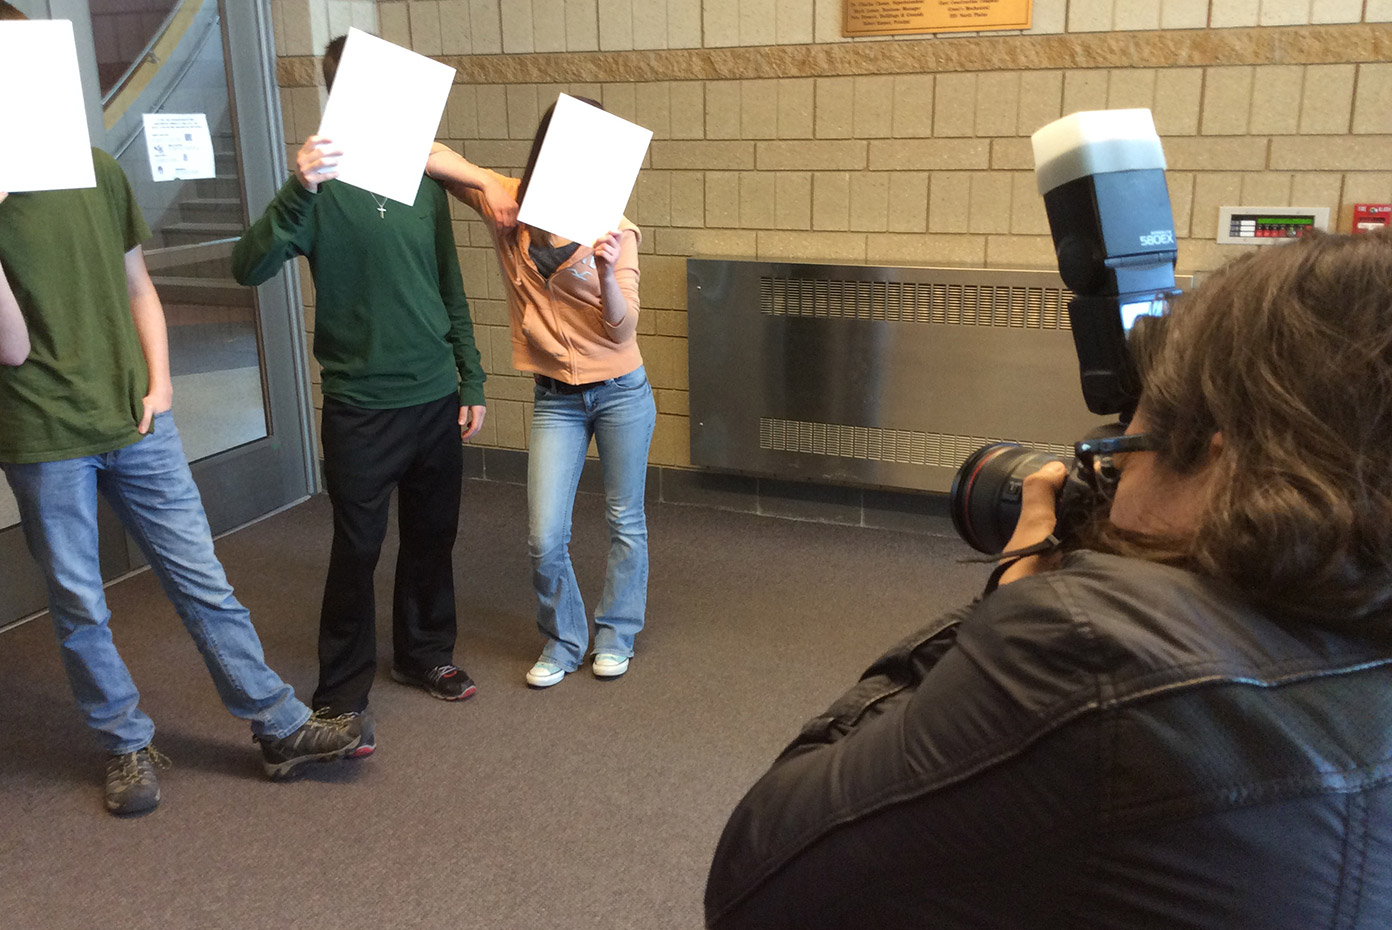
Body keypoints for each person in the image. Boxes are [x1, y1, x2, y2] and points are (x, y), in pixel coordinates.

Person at [704, 229, 1392, 929]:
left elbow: (759, 874)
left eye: (1124, 451)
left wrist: (1011, 599)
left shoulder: (1088, 647)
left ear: (1218, 462)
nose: (1109, 483)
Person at [0, 0, 360, 816]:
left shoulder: (96, 170)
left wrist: (163, 380)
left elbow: (140, 286)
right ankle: (126, 745)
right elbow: (7, 348)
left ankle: (277, 726)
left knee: (201, 579)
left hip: (140, 420)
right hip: (44, 434)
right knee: (79, 602)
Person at [232, 36, 490, 751]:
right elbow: (246, 266)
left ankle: (424, 653)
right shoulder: (318, 188)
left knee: (434, 536)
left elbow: (450, 286)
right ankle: (341, 692)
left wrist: (471, 375)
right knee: (358, 547)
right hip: (361, 407)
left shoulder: (423, 180)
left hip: (435, 394)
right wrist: (299, 187)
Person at [425, 99, 656, 689]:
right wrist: (484, 183)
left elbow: (622, 329)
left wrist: (606, 271)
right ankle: (564, 637)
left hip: (621, 390)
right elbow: (427, 154)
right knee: (544, 534)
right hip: (556, 397)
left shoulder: (616, 226)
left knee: (625, 518)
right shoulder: (513, 203)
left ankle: (616, 633)